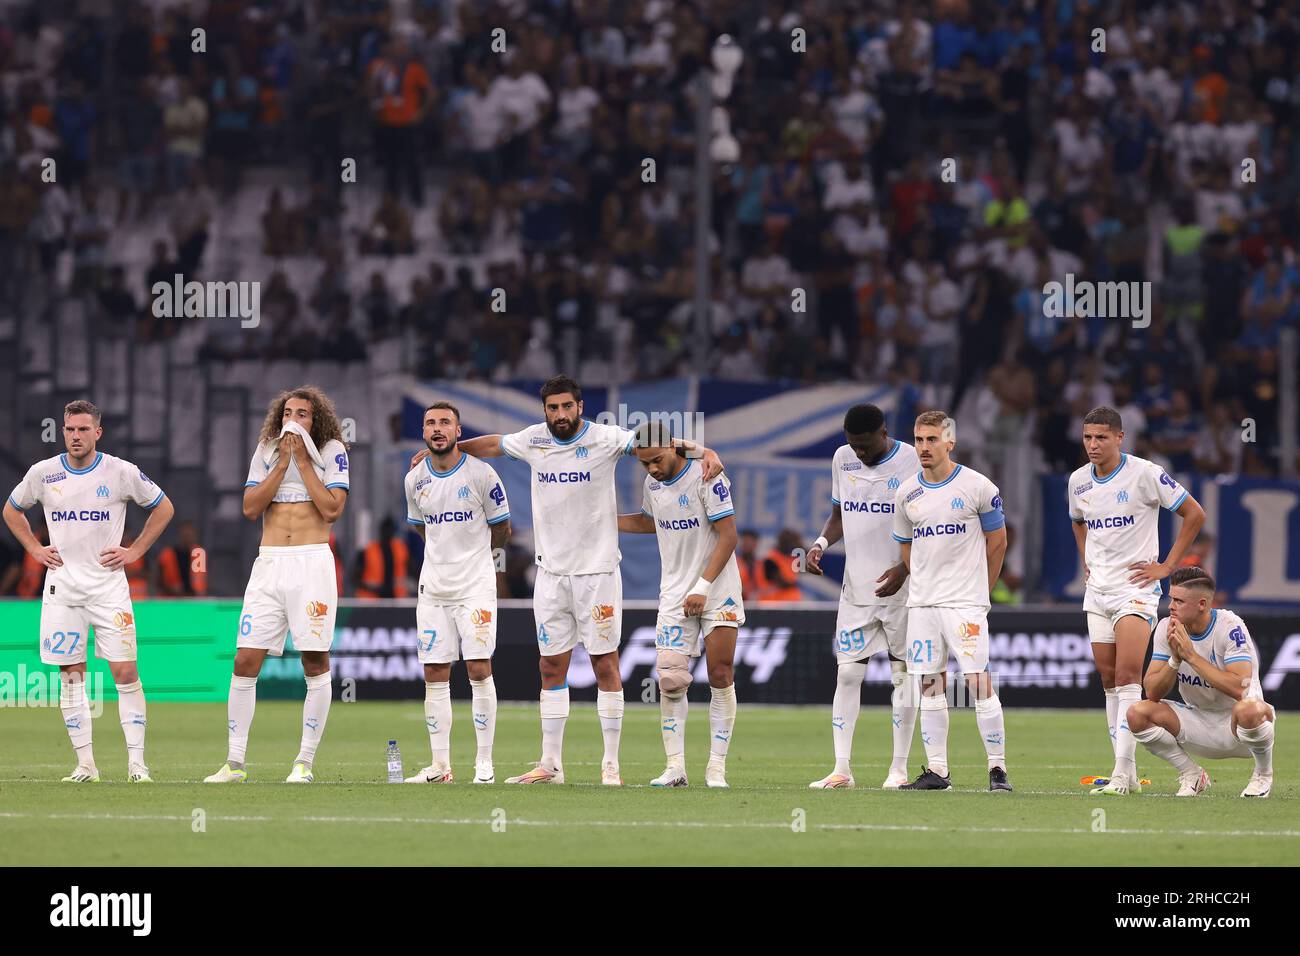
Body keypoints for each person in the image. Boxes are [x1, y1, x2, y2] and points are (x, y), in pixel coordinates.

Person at [410, 375, 723, 785]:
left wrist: (705, 450)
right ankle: (550, 765)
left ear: (579, 406)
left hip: (598, 573)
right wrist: (446, 450)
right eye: (553, 408)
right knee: (551, 665)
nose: (560, 414)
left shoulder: (605, 439)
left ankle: (610, 766)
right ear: (545, 411)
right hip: (551, 574)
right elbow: (493, 445)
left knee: (604, 664)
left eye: (566, 407)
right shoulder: (534, 440)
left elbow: (653, 439)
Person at [3, 399, 174, 783]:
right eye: (69, 429)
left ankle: (137, 764)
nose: (75, 436)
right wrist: (33, 548)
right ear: (62, 431)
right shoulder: (43, 474)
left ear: (98, 432)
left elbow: (163, 508)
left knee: (126, 672)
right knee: (71, 675)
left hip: (109, 590)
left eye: (83, 430)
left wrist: (136, 551)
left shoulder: (121, 472)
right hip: (63, 589)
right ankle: (86, 765)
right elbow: (12, 510)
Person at [205, 387, 349, 784]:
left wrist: (302, 461)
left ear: (315, 420)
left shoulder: (332, 449)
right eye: (287, 412)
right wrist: (282, 462)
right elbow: (251, 508)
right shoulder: (267, 450)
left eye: (302, 414)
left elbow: (333, 509)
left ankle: (304, 761)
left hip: (311, 562)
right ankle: (234, 763)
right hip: (269, 564)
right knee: (244, 661)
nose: (292, 420)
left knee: (314, 661)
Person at [1069, 405, 1205, 795]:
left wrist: (1166, 566)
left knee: (1129, 677)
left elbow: (1194, 513)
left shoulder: (1144, 473)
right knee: (1109, 681)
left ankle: (1121, 775)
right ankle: (1124, 773)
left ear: (1119, 438)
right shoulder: (1078, 480)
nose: (1093, 445)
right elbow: (1078, 521)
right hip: (1098, 593)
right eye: (1087, 437)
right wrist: (1087, 561)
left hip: (1136, 590)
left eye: (1101, 437)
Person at [617, 422, 742, 789]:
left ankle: (716, 767)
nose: (652, 469)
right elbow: (648, 522)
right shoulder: (652, 483)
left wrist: (703, 586)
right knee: (671, 680)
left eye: (656, 460)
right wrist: (605, 522)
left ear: (673, 448)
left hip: (717, 589)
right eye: (644, 464)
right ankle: (675, 768)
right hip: (673, 593)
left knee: (720, 674)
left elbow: (729, 534)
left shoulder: (707, 476)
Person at [892, 411, 1012, 792]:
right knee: (930, 684)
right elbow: (906, 548)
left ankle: (997, 769)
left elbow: (999, 541)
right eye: (918, 440)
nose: (924, 448)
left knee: (978, 682)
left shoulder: (978, 487)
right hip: (923, 604)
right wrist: (922, 581)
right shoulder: (906, 492)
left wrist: (981, 591)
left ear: (950, 442)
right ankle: (938, 771)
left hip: (965, 603)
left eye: (931, 440)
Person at [805, 403, 920, 789]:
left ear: (884, 433)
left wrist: (904, 569)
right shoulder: (843, 459)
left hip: (904, 591)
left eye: (865, 446)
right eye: (853, 445)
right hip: (856, 589)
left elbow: (928, 525)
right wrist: (820, 543)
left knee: (903, 675)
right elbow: (839, 515)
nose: (860, 453)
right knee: (849, 673)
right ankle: (842, 770)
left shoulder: (912, 462)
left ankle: (899, 770)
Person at [402, 402, 511, 784]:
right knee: (434, 671)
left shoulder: (483, 474)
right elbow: (421, 527)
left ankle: (484, 762)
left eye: (445, 422)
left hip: (475, 586)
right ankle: (440, 766)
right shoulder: (414, 479)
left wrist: (479, 556)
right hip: (433, 588)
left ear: (458, 431)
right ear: (424, 431)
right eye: (430, 422)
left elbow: (502, 528)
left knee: (479, 668)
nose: (437, 428)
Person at [1128, 567, 1275, 798]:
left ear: (1202, 604)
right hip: (1198, 722)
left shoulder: (1230, 627)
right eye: (1171, 598)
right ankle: (1192, 774)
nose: (1171, 606)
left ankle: (1263, 775)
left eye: (1179, 601)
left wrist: (1192, 657)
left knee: (1250, 709)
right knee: (1138, 713)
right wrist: (1175, 660)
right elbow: (1152, 692)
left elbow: (1240, 688)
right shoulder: (1167, 628)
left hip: (1241, 727)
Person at [355, 516, 411, 599]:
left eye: (390, 531)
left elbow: (413, 570)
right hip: (370, 602)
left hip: (396, 601)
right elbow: (354, 578)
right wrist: (373, 588)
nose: (388, 534)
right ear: (381, 531)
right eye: (386, 531)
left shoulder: (401, 550)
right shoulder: (367, 551)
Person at [156, 520, 207, 596]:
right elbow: (158, 579)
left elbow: (202, 580)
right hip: (171, 599)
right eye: (185, 536)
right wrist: (171, 589)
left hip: (194, 600)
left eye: (190, 536)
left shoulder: (199, 554)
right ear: (180, 535)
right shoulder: (167, 554)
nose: (187, 539)